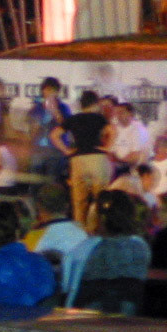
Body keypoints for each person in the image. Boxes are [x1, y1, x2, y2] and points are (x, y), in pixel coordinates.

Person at [63, 189, 153, 311]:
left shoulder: (85, 248)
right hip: (132, 319)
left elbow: (67, 289)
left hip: (86, 319)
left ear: (97, 217)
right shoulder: (142, 247)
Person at [56, 90, 112, 231]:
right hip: (97, 159)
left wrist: (67, 151)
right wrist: (107, 147)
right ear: (96, 103)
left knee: (79, 203)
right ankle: (99, 233)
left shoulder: (74, 119)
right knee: (101, 200)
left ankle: (79, 236)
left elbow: (54, 134)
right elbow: (113, 131)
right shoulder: (99, 118)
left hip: (78, 161)